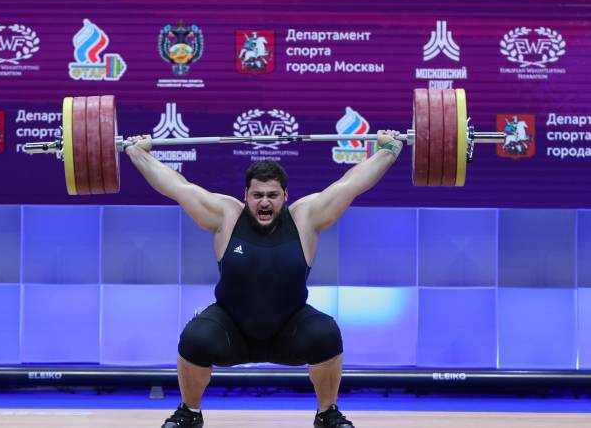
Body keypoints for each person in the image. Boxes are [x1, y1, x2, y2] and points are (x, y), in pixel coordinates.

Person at [125, 130, 403, 428]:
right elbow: (177, 187)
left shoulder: (305, 218)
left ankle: (327, 413)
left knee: (327, 333)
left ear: (286, 195)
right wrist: (138, 154)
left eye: (272, 195)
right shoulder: (226, 215)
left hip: (290, 328)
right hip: (231, 327)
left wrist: (389, 150)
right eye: (257, 195)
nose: (265, 202)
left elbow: (351, 184)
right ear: (245, 196)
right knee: (195, 338)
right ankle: (189, 413)